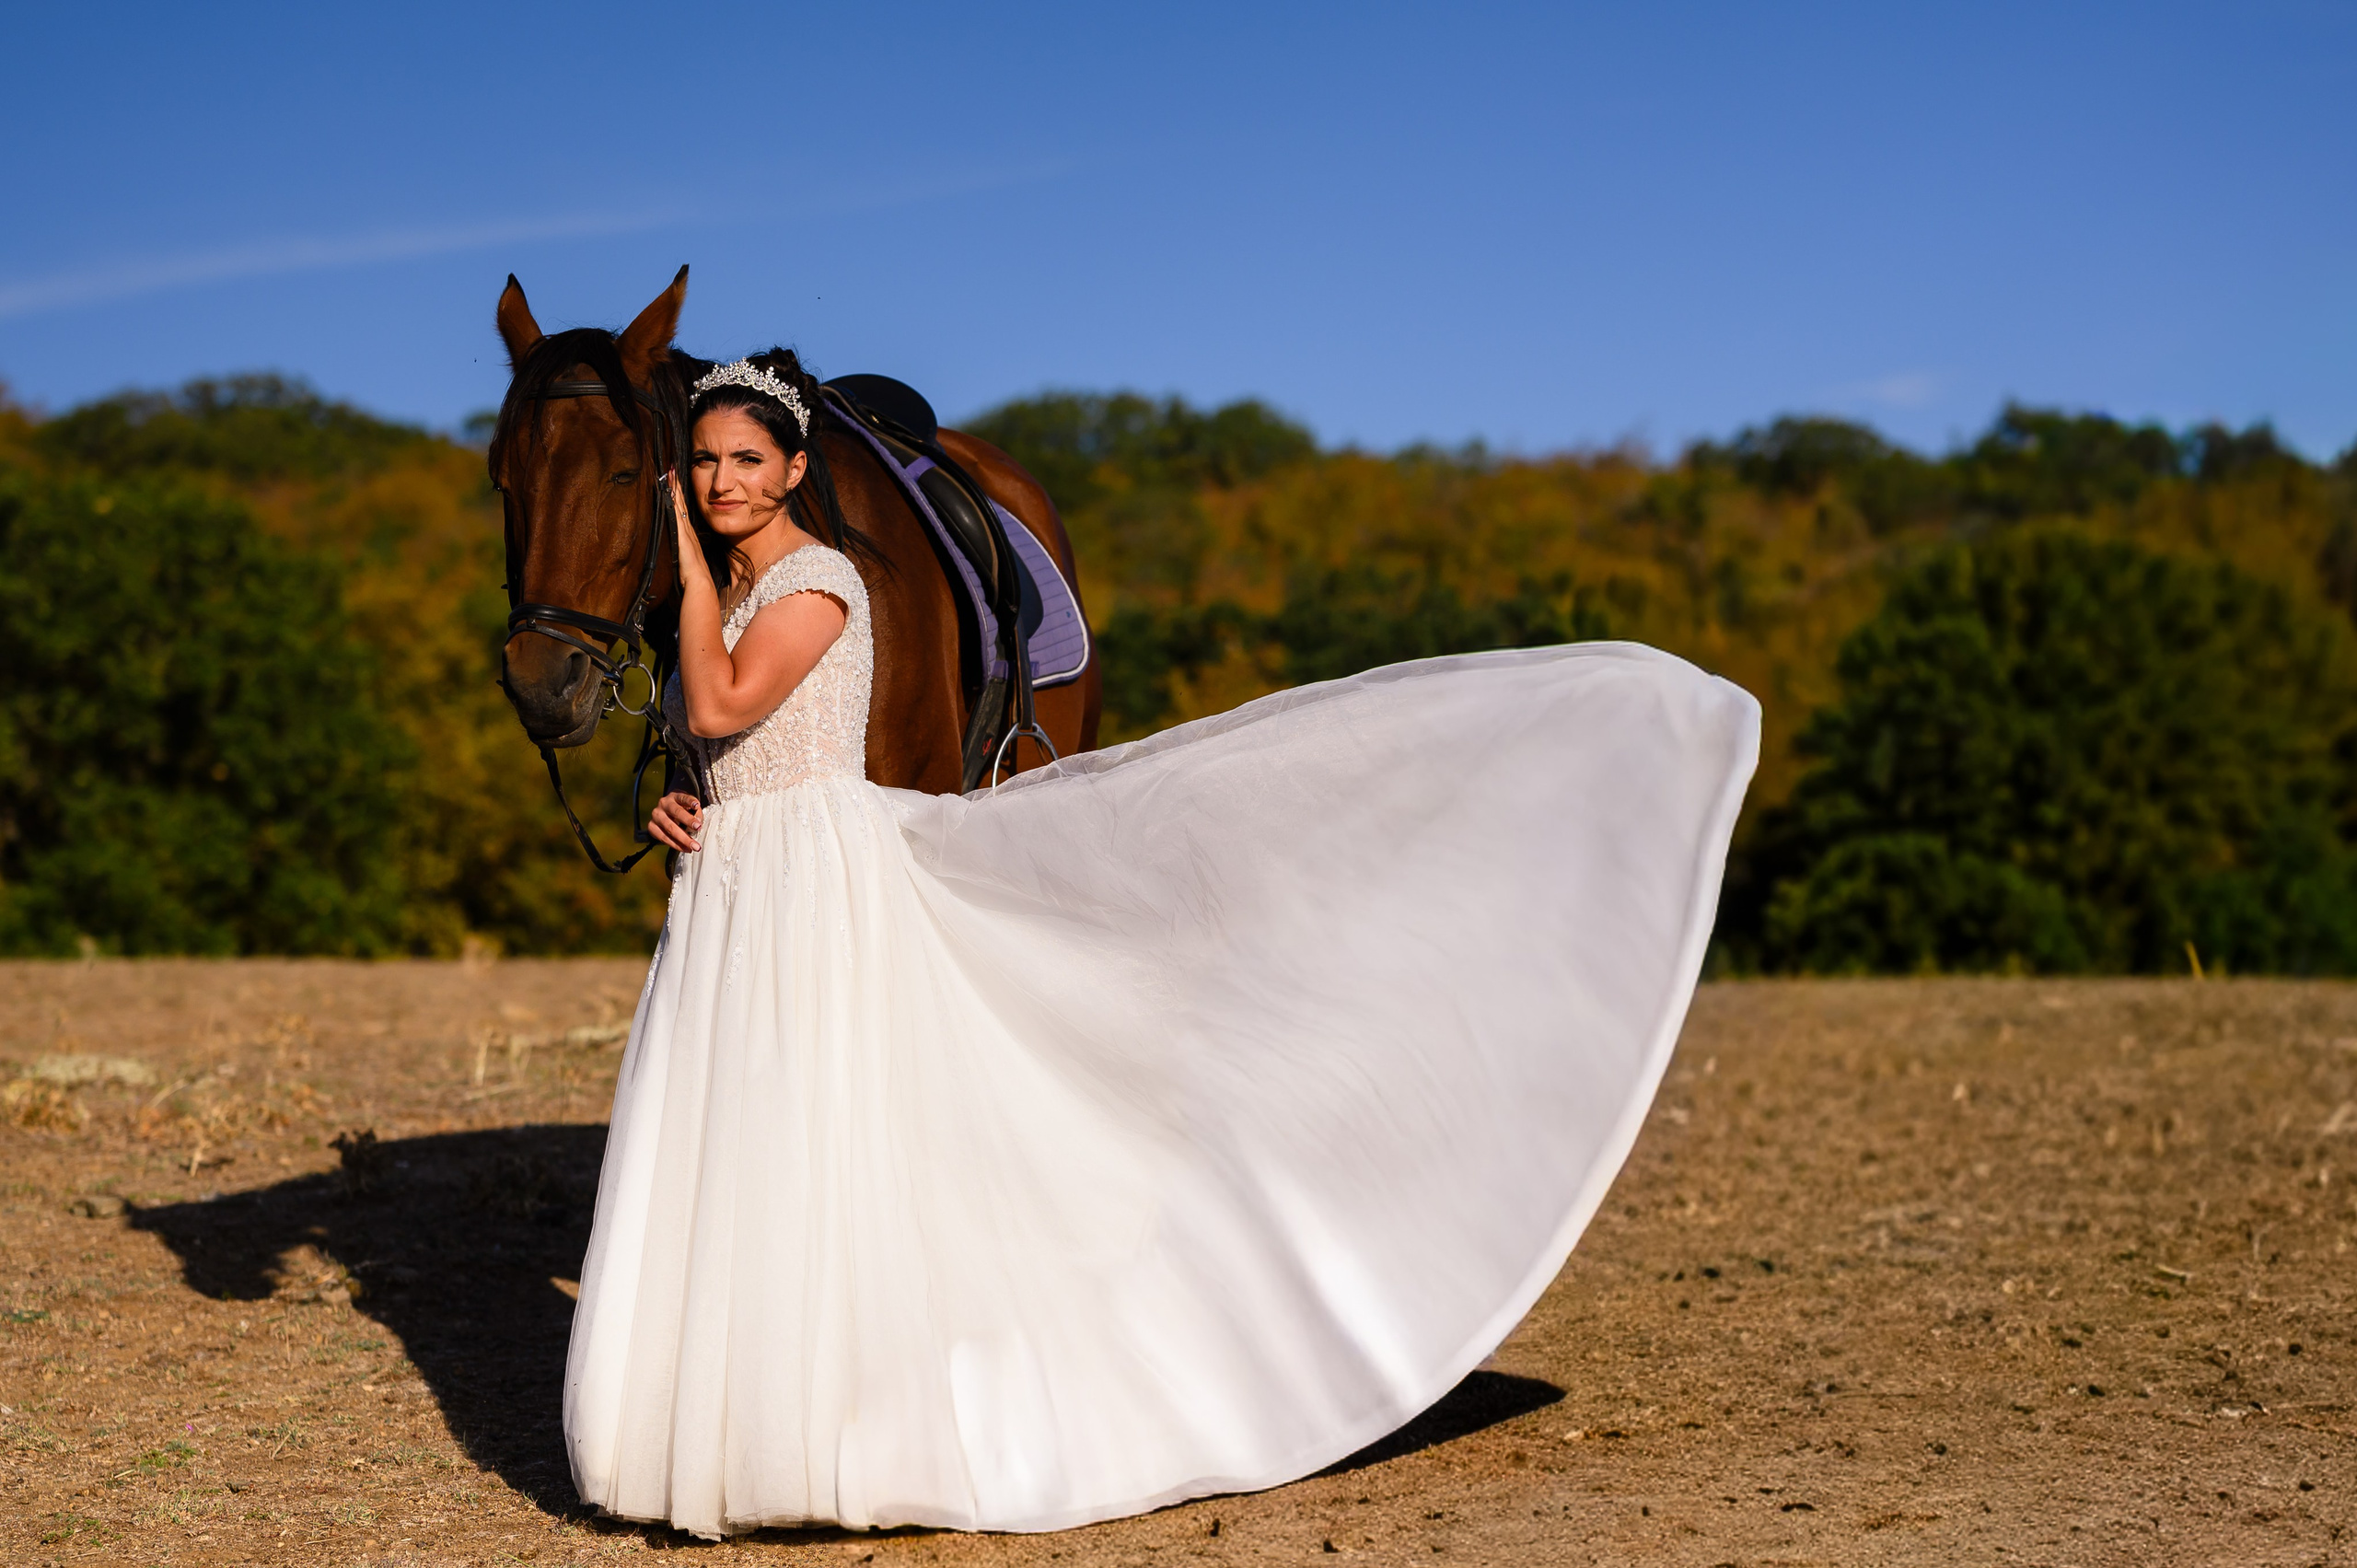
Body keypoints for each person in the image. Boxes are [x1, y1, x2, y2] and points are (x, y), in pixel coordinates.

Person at [562, 349, 1760, 1539]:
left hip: (813, 881)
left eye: (745, 463)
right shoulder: (745, 589)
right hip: (745, 876)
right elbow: (729, 743)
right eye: (706, 463)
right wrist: (695, 804)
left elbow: (717, 701)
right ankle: (746, 1423)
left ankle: (850, 1428)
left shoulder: (818, 581)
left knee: (832, 1134)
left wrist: (676, 553)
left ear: (794, 470)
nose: (722, 482)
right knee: (758, 1143)